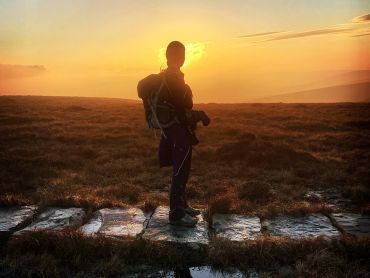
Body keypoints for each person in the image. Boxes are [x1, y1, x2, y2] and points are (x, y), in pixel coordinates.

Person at [137, 41, 210, 227]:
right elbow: (184, 110)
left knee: (181, 169)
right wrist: (201, 116)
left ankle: (183, 205)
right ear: (182, 58)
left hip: (169, 131)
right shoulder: (174, 79)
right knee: (181, 171)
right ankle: (176, 213)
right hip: (178, 134)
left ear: (167, 57)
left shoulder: (163, 77)